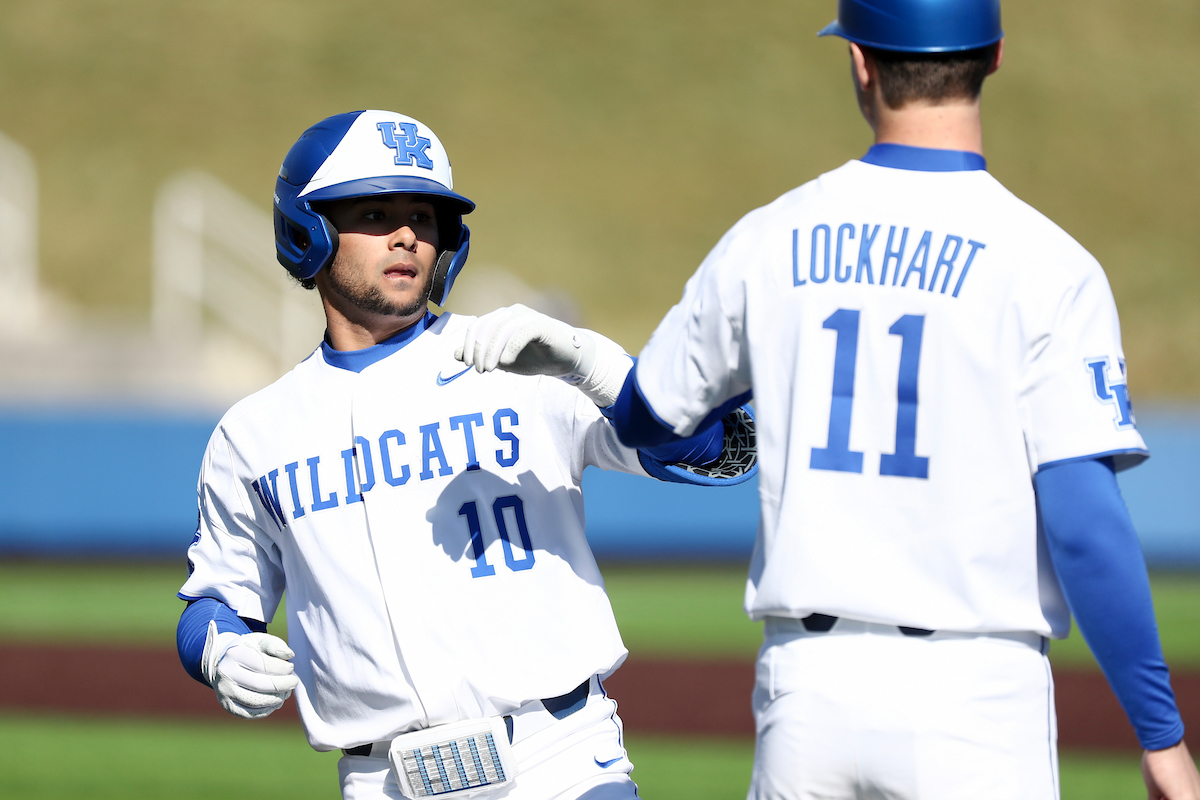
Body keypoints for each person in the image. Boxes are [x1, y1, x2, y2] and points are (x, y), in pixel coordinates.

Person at [598, 1, 1200, 798]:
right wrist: (1160, 734)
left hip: (805, 694)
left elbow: (649, 419)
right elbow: (1084, 522)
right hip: (976, 699)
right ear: (994, 57)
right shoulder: (1050, 265)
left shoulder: (769, 236)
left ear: (860, 62)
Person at [174, 109, 756, 800]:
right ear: (308, 231)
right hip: (380, 781)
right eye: (374, 211)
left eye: (424, 216)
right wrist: (218, 650)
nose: (406, 235)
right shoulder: (254, 433)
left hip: (558, 761)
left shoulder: (520, 358)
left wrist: (592, 364)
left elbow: (726, 450)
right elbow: (215, 598)